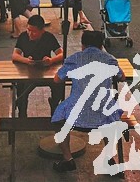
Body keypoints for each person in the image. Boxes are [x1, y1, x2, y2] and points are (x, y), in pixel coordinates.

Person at [50, 30, 125, 173]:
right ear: (101, 45)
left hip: (76, 114)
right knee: (111, 118)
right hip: (102, 114)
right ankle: (108, 158)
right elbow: (122, 77)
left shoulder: (75, 59)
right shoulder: (109, 59)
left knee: (58, 119)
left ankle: (68, 159)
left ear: (82, 45)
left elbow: (57, 79)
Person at [11, 15, 64, 117]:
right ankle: (22, 114)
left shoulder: (49, 37)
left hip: (46, 72)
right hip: (28, 73)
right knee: (21, 90)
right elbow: (15, 55)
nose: (30, 34)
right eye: (28, 30)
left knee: (59, 84)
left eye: (34, 31)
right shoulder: (23, 36)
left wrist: (51, 60)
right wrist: (26, 60)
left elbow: (62, 54)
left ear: (42, 31)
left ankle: (54, 104)